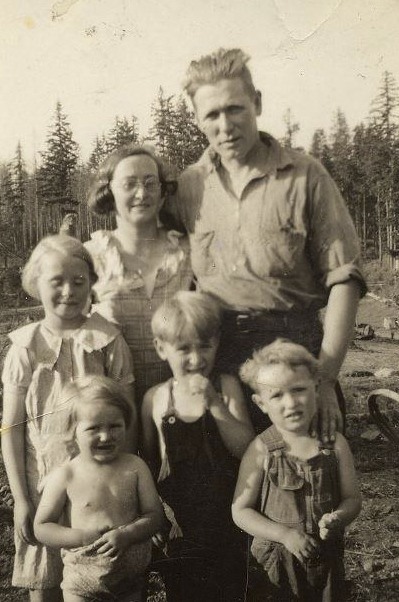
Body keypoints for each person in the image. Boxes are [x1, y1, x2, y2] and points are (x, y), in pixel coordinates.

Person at [168, 47, 367, 441]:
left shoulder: (305, 176)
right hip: (218, 357)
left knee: (305, 488)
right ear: (197, 120)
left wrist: (323, 380)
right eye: (211, 114)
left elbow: (344, 280)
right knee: (227, 496)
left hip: (295, 360)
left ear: (256, 103)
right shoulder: (188, 186)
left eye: (235, 109)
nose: (225, 125)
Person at [1, 235, 134, 602]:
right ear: (35, 284)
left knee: (102, 579)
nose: (68, 291)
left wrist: (128, 484)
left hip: (100, 490)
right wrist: (22, 499)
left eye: (79, 281)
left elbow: (128, 416)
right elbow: (10, 427)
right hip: (42, 483)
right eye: (56, 281)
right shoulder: (26, 348)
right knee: (46, 584)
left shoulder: (107, 341)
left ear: (92, 283)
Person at [141, 291, 254, 602]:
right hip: (180, 521)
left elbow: (245, 448)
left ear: (217, 343)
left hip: (227, 513)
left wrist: (216, 405)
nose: (196, 358)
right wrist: (155, 515)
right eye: (184, 349)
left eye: (205, 346)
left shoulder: (226, 386)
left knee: (231, 585)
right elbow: (149, 463)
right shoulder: (156, 398)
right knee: (184, 589)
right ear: (161, 349)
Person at [232, 339, 361, 601]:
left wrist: (338, 518)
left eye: (299, 389)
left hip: (326, 562)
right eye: (277, 395)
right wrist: (284, 534)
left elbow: (353, 498)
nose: (291, 403)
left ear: (316, 388)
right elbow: (240, 511)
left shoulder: (335, 444)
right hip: (277, 567)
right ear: (260, 403)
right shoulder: (260, 449)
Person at [34, 375, 164, 602]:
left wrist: (127, 534)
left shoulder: (134, 467)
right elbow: (42, 527)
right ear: (72, 431)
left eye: (115, 426)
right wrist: (80, 536)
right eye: (94, 428)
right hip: (82, 584)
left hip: (129, 581)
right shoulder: (66, 475)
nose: (106, 436)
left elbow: (155, 516)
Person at [85, 145, 193, 409]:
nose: (141, 193)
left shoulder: (188, 251)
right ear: (109, 192)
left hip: (181, 400)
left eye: (150, 183)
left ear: (163, 192)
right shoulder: (90, 256)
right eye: (129, 184)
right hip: (115, 405)